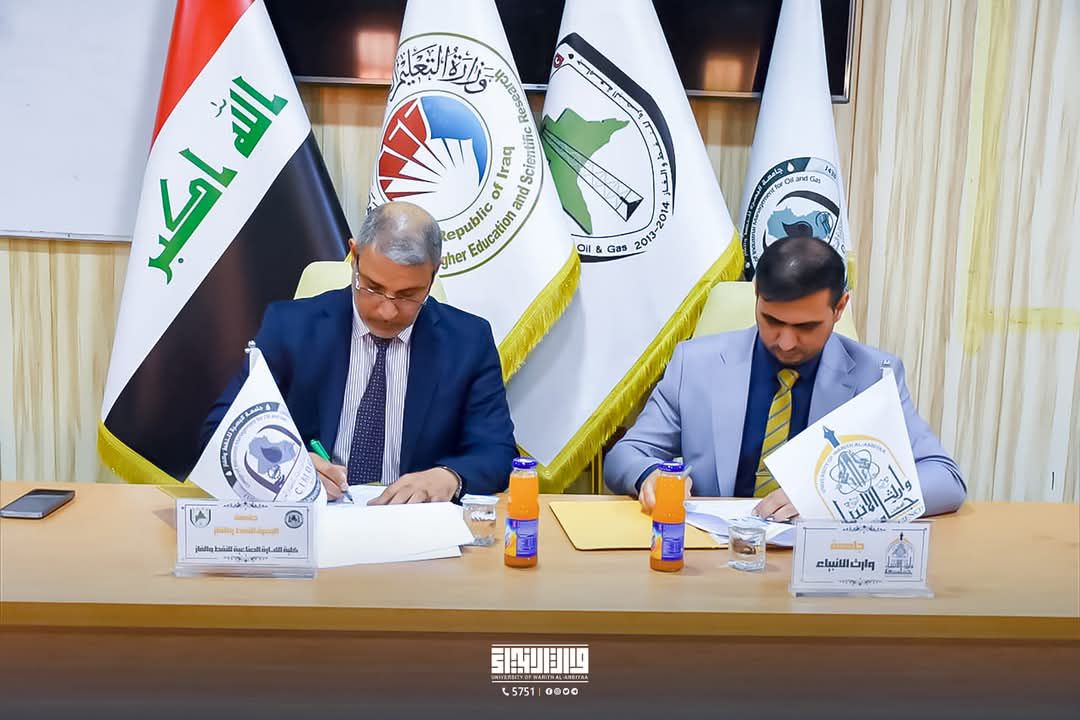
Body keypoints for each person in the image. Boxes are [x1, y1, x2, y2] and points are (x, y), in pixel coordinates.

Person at [604, 236, 965, 519]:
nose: (786, 342)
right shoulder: (695, 364)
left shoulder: (874, 375)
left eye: (806, 326)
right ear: (757, 296)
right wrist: (650, 476)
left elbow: (944, 479)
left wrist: (829, 501)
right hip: (714, 555)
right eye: (772, 320)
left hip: (822, 559)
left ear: (840, 308)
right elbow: (628, 455)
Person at [203, 201, 516, 503]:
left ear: (434, 274)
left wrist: (449, 477)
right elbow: (221, 428)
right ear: (354, 256)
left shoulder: (468, 342)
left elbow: (497, 451)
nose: (387, 311)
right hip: (313, 513)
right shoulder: (290, 327)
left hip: (412, 520)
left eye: (408, 295)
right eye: (373, 288)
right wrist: (290, 464)